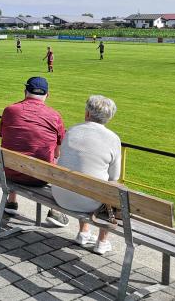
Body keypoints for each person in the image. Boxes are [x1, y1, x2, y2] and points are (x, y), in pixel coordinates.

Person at [52, 95, 121, 255]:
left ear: (87, 114)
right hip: (87, 202)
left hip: (60, 194)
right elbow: (114, 178)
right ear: (108, 118)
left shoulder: (72, 130)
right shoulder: (113, 139)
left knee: (82, 178)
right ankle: (102, 242)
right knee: (114, 190)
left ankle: (84, 233)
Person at [0, 77, 69, 227]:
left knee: (16, 149)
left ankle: (11, 202)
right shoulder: (54, 116)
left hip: (9, 172)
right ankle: (55, 210)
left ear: (25, 92)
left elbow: (5, 139)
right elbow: (57, 153)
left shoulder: (9, 110)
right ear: (47, 95)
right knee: (60, 162)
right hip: (39, 177)